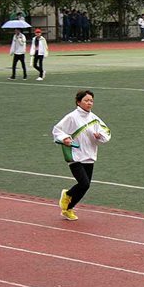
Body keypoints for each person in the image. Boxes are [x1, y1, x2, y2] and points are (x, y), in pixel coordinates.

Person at [52, 90, 111, 221]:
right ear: (79, 102)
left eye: (91, 101)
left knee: (86, 186)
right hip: (75, 155)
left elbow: (106, 132)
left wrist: (100, 136)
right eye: (86, 100)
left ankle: (68, 209)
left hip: (89, 155)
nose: (89, 103)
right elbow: (57, 130)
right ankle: (67, 195)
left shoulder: (94, 119)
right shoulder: (72, 117)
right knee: (84, 183)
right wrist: (65, 138)